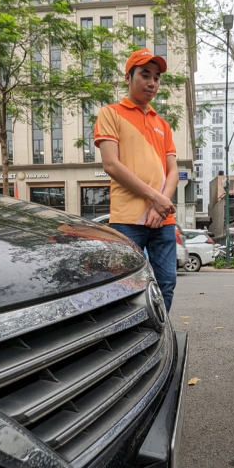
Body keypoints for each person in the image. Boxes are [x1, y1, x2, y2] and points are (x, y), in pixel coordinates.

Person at [94, 48, 179, 311]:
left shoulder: (162, 124)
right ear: (128, 78)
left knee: (166, 282)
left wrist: (159, 206)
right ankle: (128, 340)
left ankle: (158, 335)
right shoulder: (111, 113)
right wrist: (156, 199)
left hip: (163, 218)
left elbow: (173, 171)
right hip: (127, 218)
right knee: (124, 285)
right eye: (145, 75)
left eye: (156, 77)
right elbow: (111, 164)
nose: (152, 82)